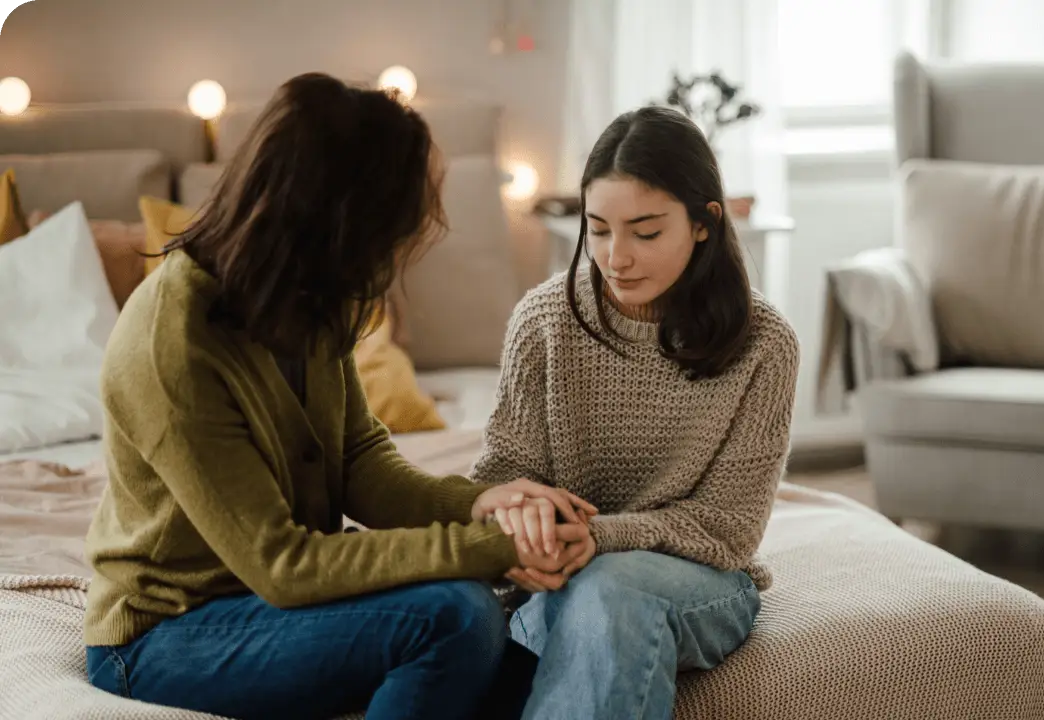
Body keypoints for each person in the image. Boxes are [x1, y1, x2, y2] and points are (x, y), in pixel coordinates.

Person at [81, 72, 598, 720]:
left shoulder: (311, 299)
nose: (388, 261)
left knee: (539, 664)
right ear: (334, 221)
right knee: (456, 617)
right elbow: (284, 564)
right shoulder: (172, 341)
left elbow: (360, 464)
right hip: (166, 634)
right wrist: (492, 551)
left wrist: (486, 506)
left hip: (277, 610)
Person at [469, 105, 801, 719]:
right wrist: (535, 522)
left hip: (703, 580)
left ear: (704, 224)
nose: (615, 256)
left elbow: (729, 529)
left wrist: (601, 538)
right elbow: (501, 478)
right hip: (561, 574)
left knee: (612, 588)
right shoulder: (543, 322)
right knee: (584, 595)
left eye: (645, 233)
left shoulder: (765, 343)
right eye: (597, 229)